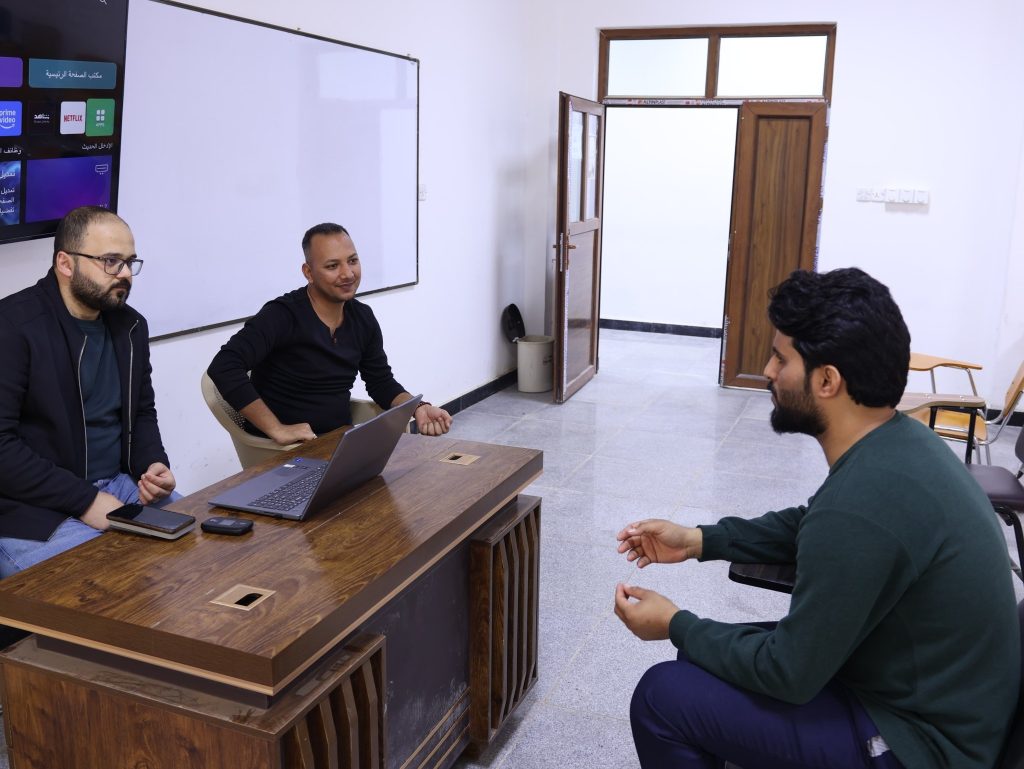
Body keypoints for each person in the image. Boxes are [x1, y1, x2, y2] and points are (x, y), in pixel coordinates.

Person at [614, 268, 1020, 769]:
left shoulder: (864, 502)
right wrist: (699, 540)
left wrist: (676, 624)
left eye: (781, 358)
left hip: (925, 743)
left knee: (662, 697)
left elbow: (789, 672)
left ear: (827, 380)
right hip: (923, 693)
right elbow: (812, 524)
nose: (768, 370)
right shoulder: (899, 441)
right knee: (702, 660)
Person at [0, 206, 178, 578]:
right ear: (66, 264)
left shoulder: (131, 326)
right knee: (106, 583)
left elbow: (141, 412)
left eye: (129, 262)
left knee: (202, 553)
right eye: (111, 261)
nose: (125, 273)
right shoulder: (13, 326)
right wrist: (86, 500)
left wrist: (153, 464)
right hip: (27, 507)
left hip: (118, 485)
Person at [207, 222, 452, 444]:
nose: (348, 274)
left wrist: (418, 407)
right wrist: (277, 429)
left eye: (352, 261)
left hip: (338, 443)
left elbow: (380, 382)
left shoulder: (362, 317)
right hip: (284, 451)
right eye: (332, 266)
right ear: (308, 272)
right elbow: (224, 367)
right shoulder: (281, 315)